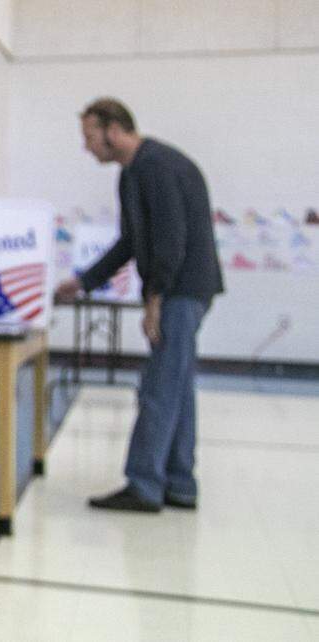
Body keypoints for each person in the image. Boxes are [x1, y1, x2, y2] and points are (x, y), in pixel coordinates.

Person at [56, 98, 224, 512]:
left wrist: (155, 300)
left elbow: (171, 240)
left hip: (181, 290)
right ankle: (180, 483)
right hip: (182, 288)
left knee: (159, 387)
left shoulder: (155, 167)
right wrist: (83, 282)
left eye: (90, 136)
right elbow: (131, 242)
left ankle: (145, 484)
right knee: (177, 386)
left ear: (114, 130)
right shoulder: (134, 173)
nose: (87, 147)